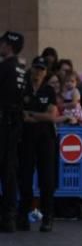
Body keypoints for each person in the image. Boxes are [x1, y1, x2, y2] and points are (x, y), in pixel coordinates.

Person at [17, 56, 58, 233]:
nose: (38, 72)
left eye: (42, 69)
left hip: (45, 139)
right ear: (31, 69)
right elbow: (19, 112)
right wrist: (35, 116)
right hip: (26, 139)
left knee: (46, 179)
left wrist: (32, 116)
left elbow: (51, 115)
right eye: (36, 68)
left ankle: (48, 216)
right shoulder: (23, 88)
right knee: (25, 177)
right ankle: (23, 216)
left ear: (46, 72)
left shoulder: (48, 90)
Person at [0, 31, 27, 232]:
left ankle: (7, 215)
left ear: (8, 45)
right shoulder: (21, 68)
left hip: (5, 122)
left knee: (6, 169)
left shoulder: (5, 67)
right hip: (15, 122)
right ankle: (9, 214)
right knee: (9, 170)